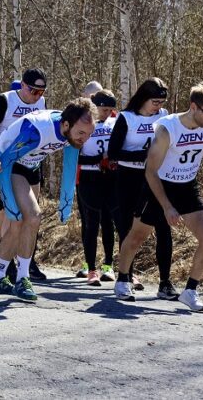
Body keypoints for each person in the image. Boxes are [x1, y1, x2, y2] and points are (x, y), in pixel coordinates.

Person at [114, 83, 203, 312]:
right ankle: (123, 278)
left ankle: (190, 291)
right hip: (159, 186)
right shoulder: (167, 129)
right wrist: (166, 206)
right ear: (194, 107)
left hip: (187, 187)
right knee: (136, 237)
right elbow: (150, 171)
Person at [0, 99, 96, 302]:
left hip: (31, 165)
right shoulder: (37, 130)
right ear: (66, 125)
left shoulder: (72, 131)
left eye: (89, 134)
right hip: (7, 164)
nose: (84, 139)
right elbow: (3, 164)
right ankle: (22, 278)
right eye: (81, 134)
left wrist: (66, 202)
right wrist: (10, 205)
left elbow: (71, 164)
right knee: (29, 217)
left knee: (20, 224)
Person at [0, 68, 48, 280]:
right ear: (23, 85)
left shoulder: (41, 104)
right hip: (5, 162)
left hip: (31, 162)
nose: (37, 96)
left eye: (42, 92)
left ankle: (24, 258)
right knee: (5, 211)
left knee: (31, 212)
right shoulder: (3, 101)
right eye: (34, 91)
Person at [108, 78, 171, 296]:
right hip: (129, 177)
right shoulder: (127, 118)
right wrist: (143, 155)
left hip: (155, 177)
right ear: (143, 98)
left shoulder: (164, 117)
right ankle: (125, 278)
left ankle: (165, 283)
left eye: (162, 101)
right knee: (127, 228)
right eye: (155, 101)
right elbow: (113, 152)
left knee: (163, 226)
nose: (159, 106)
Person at [76, 88, 118, 285]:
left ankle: (108, 265)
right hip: (88, 176)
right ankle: (91, 268)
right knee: (91, 222)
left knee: (108, 222)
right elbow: (75, 154)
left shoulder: (115, 121)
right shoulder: (82, 121)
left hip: (109, 176)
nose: (108, 113)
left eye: (111, 109)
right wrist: (98, 159)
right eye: (104, 109)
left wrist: (112, 160)